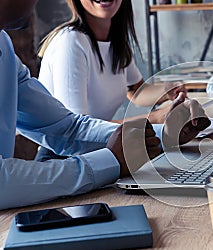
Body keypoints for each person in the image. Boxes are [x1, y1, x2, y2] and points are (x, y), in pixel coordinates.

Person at [0, 0, 209, 210]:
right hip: (62, 164)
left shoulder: (4, 46)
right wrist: (111, 160)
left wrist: (164, 133)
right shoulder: (70, 42)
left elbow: (68, 128)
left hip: (84, 162)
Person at [35, 0, 185, 161]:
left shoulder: (115, 40)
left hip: (104, 150)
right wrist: (154, 119)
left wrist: (168, 91)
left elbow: (135, 91)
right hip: (65, 159)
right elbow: (78, 132)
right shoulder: (70, 42)